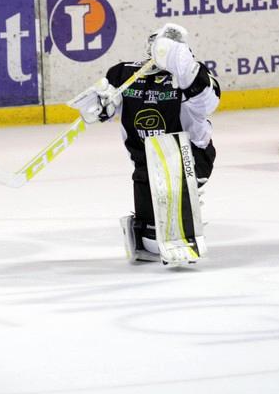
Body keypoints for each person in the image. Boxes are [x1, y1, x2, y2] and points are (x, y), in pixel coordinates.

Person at [69, 23, 220, 262]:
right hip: (145, 162)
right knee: (150, 243)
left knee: (169, 180)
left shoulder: (193, 75)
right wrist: (100, 105)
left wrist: (181, 64)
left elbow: (206, 102)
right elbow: (103, 108)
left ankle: (185, 206)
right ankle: (154, 224)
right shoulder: (124, 74)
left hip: (191, 158)